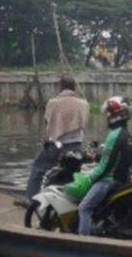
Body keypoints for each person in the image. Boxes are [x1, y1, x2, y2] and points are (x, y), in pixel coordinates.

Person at [24, 74, 89, 202]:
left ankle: (30, 200)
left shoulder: (53, 103)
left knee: (38, 168)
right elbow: (84, 122)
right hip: (77, 144)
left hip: (57, 144)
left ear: (61, 86)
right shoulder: (84, 103)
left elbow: (48, 123)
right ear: (74, 87)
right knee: (73, 173)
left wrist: (48, 139)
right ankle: (70, 200)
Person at [78, 96, 132, 236]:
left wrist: (90, 178)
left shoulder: (114, 135)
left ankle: (82, 242)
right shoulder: (129, 134)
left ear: (112, 115)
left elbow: (105, 166)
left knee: (84, 208)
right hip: (123, 179)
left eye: (108, 114)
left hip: (108, 181)